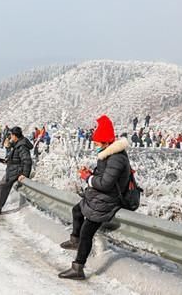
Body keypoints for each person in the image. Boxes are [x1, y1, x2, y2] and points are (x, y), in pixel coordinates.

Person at [58, 115, 130, 280]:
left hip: (107, 200)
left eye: (97, 143)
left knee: (87, 231)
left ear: (106, 142)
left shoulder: (117, 159)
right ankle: (75, 241)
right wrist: (90, 174)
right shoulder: (108, 155)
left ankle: (78, 267)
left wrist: (87, 178)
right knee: (77, 210)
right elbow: (103, 177)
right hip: (100, 197)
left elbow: (105, 184)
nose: (95, 146)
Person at [0, 126, 33, 215]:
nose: (10, 137)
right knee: (2, 186)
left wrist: (25, 174)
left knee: (1, 186)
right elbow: (17, 157)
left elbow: (27, 161)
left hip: (15, 171)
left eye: (11, 135)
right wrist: (8, 160)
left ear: (15, 135)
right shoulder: (19, 143)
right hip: (13, 169)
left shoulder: (22, 146)